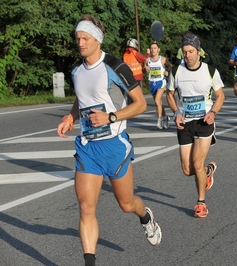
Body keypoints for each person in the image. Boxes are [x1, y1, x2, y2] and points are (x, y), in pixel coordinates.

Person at [56, 15, 161, 266]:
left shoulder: (115, 67)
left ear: (97, 40)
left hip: (114, 146)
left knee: (126, 204)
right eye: (78, 38)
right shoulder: (77, 71)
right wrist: (70, 118)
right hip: (88, 148)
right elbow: (82, 100)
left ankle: (145, 216)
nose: (80, 43)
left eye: (85, 38)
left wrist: (111, 116)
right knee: (85, 208)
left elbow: (141, 104)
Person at [166, 33, 225, 218]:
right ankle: (208, 171)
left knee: (197, 164)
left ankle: (201, 203)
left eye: (191, 51)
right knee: (187, 170)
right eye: (184, 52)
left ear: (199, 52)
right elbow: (169, 94)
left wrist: (213, 112)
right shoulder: (176, 72)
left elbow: (220, 95)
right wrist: (176, 112)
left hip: (204, 123)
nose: (187, 55)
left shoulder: (210, 71)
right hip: (185, 123)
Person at [144, 42, 173, 129]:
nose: (153, 50)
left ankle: (159, 119)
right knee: (158, 103)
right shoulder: (147, 60)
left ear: (158, 49)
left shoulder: (162, 59)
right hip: (152, 83)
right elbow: (143, 70)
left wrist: (167, 71)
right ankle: (165, 117)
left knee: (157, 101)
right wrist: (145, 69)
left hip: (161, 82)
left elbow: (170, 66)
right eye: (151, 48)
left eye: (155, 48)